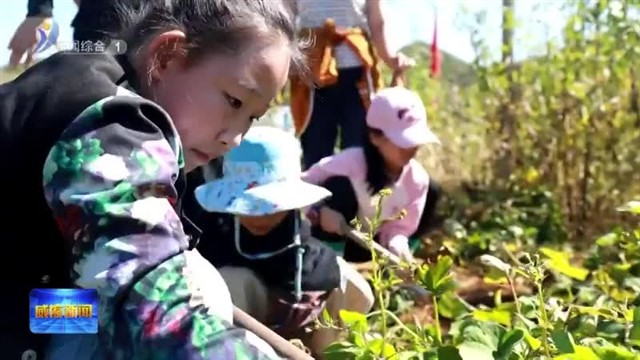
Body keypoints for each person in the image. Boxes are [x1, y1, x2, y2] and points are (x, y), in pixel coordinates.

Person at [0, 0, 304, 359]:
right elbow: (154, 307)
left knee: (191, 283)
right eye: (235, 101)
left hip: (25, 302)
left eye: (253, 117)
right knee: (185, 297)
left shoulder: (81, 78)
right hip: (18, 318)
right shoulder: (111, 128)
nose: (235, 139)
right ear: (167, 56)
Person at [194, 126, 375, 358]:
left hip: (299, 333)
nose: (260, 217)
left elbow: (315, 267)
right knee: (228, 283)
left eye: (271, 209)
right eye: (249, 208)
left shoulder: (302, 242)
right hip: (242, 341)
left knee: (356, 288)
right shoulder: (212, 233)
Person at [302, 86, 441, 263]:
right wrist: (318, 211)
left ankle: (399, 269)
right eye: (403, 142)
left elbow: (400, 228)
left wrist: (398, 246)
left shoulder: (417, 180)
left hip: (372, 247)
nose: (411, 148)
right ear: (375, 137)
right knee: (339, 186)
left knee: (434, 190)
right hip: (339, 239)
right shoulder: (349, 163)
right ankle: (329, 268)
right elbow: (302, 186)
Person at [285, 0, 416, 169]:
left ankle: (354, 195)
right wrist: (283, 59)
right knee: (315, 153)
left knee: (359, 151)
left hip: (358, 75)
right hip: (312, 74)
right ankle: (318, 192)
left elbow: (376, 21)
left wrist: (390, 57)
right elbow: (284, 17)